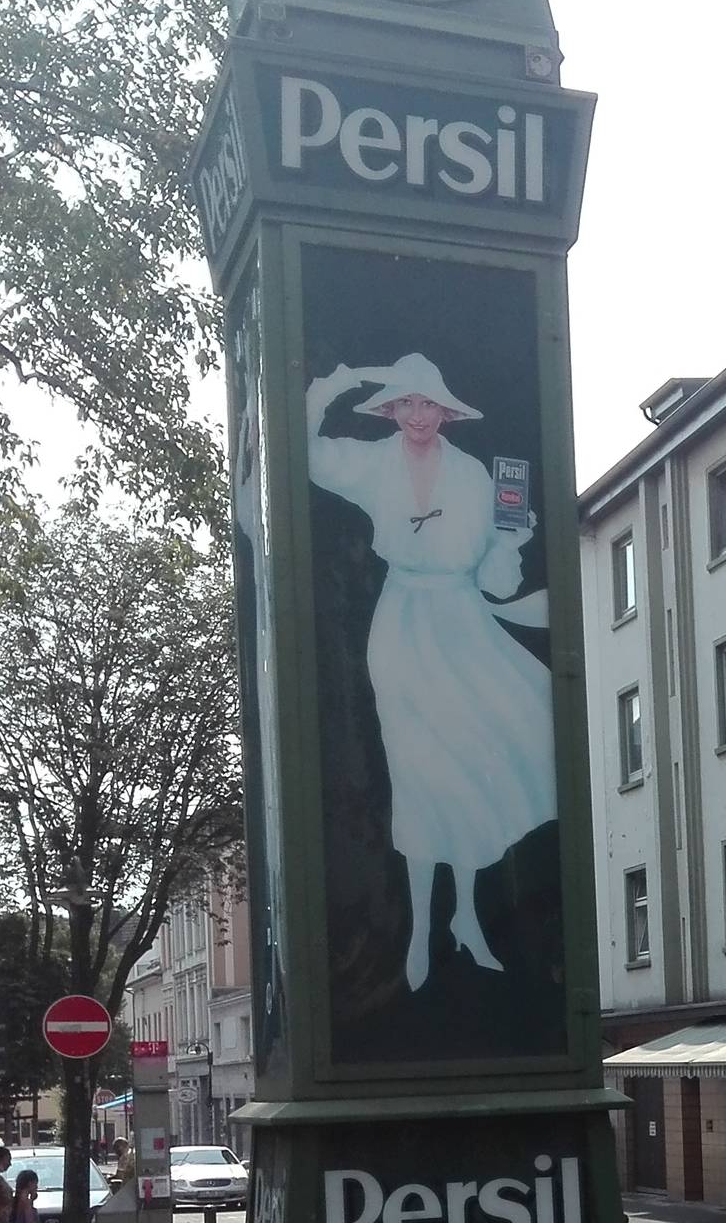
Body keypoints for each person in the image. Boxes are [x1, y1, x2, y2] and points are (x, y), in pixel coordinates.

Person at [308, 354, 558, 991]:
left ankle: (467, 918)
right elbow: (307, 457)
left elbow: (496, 571)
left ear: (445, 411)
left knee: (468, 766)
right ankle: (421, 930)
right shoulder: (370, 461)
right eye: (408, 403)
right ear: (392, 410)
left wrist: (512, 541)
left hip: (463, 620)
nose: (419, 415)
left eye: (429, 404)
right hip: (403, 623)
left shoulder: (475, 475)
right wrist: (326, 392)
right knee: (416, 772)